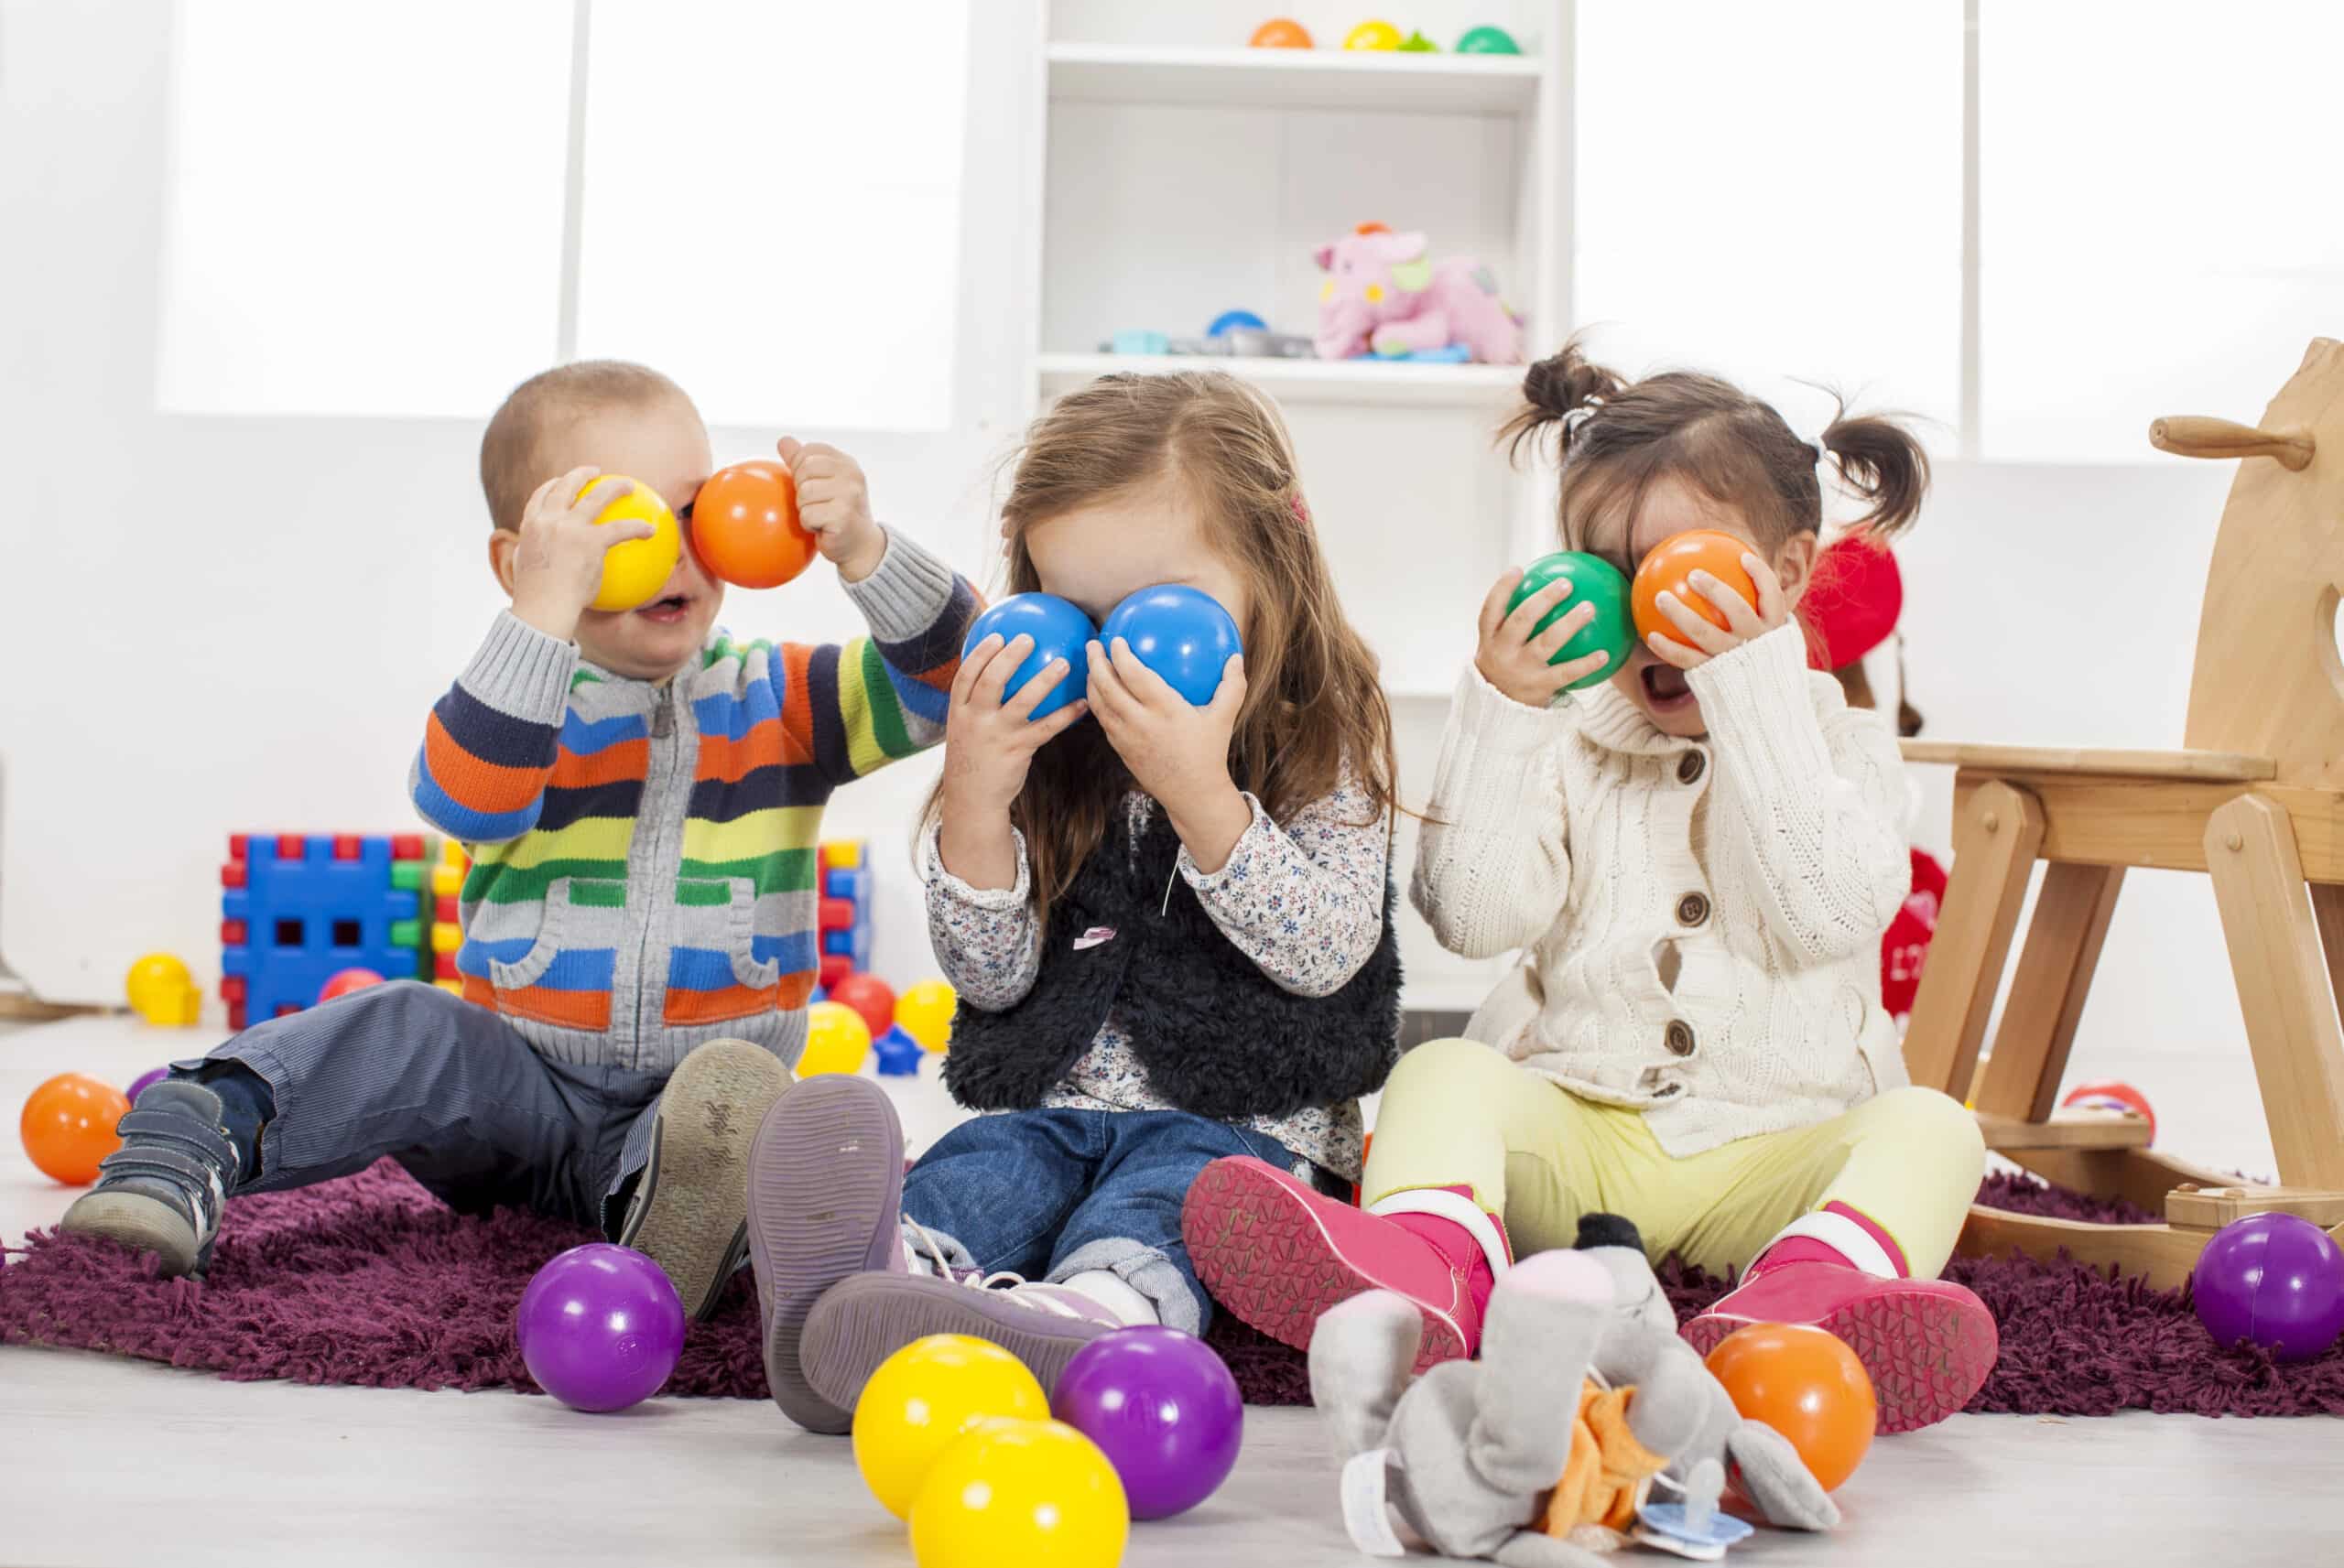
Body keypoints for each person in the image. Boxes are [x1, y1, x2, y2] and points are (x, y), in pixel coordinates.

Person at [1183, 341, 1995, 1434]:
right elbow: (1472, 919)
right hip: (1581, 1141)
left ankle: (1801, 1302)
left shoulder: (1838, 745)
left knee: (1935, 1129)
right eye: (1609, 574)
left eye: (1687, 570)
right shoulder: (1567, 742)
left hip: (1779, 1152)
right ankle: (1428, 1270)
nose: (1648, 615)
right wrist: (1503, 711)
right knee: (1443, 1073)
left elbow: (1826, 913)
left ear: (1790, 575)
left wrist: (1751, 687)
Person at [61, 361, 976, 1323]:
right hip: (516, 1098)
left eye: (694, 512)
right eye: (619, 528)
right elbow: (466, 799)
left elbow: (950, 682)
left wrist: (868, 551)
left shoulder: (782, 700)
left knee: (744, 1109)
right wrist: (541, 616)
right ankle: (187, 1142)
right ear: (522, 561)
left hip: (681, 1118)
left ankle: (671, 1224)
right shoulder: (520, 703)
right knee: (405, 1021)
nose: (670, 553)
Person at [742, 370, 1404, 1433]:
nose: (1106, 654)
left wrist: (1202, 795)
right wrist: (975, 800)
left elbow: (1327, 954)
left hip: (1243, 1125)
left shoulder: (1323, 733)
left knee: (1174, 1198)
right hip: (1056, 1111)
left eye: (1156, 612)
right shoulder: (1050, 741)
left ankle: (1091, 1314)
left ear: (1270, 564)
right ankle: (874, 1287)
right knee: (981, 1167)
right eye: (1073, 612)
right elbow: (993, 980)